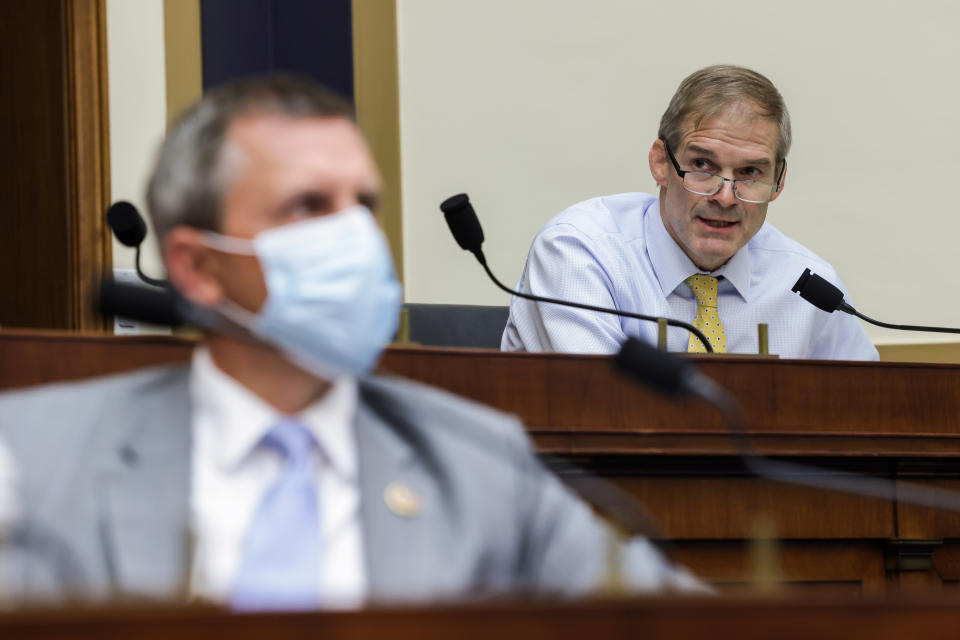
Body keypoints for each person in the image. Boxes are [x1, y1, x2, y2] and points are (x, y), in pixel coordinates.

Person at [0, 75, 698, 609]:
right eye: (308, 206)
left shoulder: (476, 462)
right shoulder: (33, 459)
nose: (354, 239)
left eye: (362, 206)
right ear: (196, 266)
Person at [502, 65, 878, 360]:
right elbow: (604, 412)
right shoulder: (579, 254)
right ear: (661, 163)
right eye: (702, 165)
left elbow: (870, 417)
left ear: (778, 182)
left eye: (750, 173)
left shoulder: (808, 288)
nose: (726, 197)